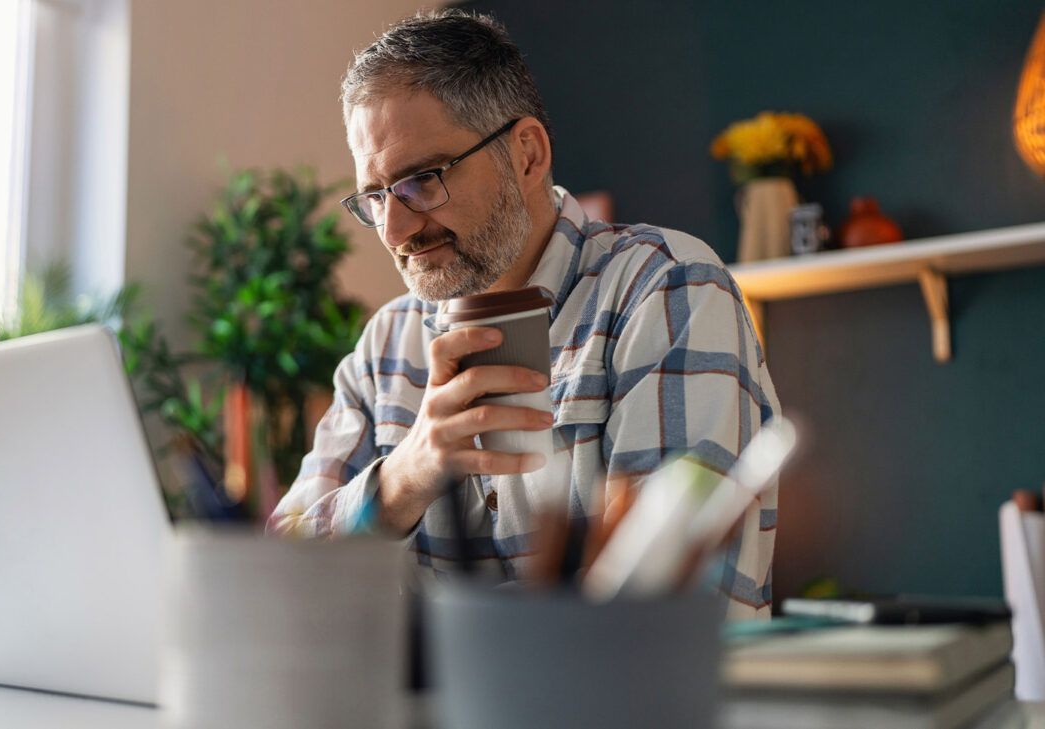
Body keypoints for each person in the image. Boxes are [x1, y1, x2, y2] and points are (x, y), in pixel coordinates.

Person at [268, 9, 780, 619]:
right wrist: (407, 475)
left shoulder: (665, 289)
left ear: (528, 155)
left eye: (421, 182)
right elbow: (274, 584)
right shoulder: (385, 347)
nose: (394, 230)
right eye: (375, 198)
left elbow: (662, 610)